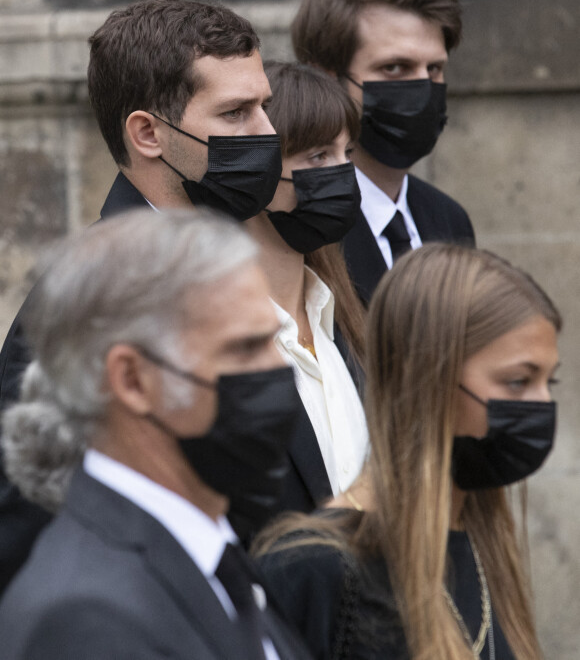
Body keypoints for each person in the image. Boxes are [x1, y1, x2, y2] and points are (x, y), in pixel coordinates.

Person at [0, 0, 282, 593]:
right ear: (149, 133)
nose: (268, 134)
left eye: (265, 107)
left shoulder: (252, 261)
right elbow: (24, 532)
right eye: (236, 113)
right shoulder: (86, 306)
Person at [0, 208, 311, 660]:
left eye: (273, 341)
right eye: (244, 348)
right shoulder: (84, 619)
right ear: (132, 380)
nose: (279, 370)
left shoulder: (212, 554)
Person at [255, 243, 560, 660]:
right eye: (517, 382)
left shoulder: (481, 544)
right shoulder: (315, 568)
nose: (541, 405)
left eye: (549, 383)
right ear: (427, 377)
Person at [292, 0, 475, 304]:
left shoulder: (449, 220)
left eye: (434, 69)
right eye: (395, 68)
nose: (423, 89)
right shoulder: (298, 228)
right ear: (326, 79)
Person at [245, 61, 367, 515]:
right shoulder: (216, 345)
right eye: (318, 157)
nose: (341, 174)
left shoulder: (350, 327)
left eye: (347, 154)